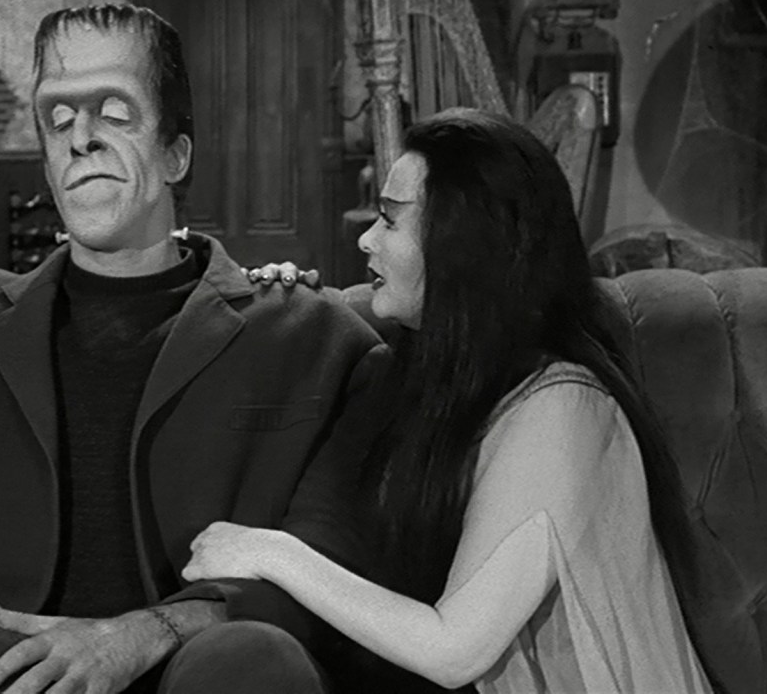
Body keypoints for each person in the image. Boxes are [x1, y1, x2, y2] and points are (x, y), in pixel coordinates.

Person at [0, 3, 382, 693]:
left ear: (176, 154)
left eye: (114, 112)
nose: (81, 138)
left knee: (250, 657)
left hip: (205, 674)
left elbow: (339, 565)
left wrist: (158, 629)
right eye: (58, 118)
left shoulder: (315, 339)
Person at [183, 108, 715, 693]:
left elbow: (454, 650)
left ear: (465, 244)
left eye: (390, 219)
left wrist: (271, 553)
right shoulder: (435, 379)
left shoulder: (563, 405)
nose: (366, 238)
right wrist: (282, 308)